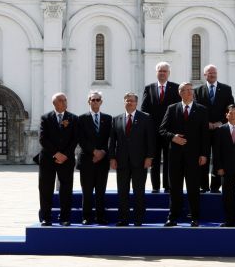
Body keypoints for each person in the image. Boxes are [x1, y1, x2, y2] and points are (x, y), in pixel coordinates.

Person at [160, 82, 210, 227]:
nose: (189, 92)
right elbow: (162, 130)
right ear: (180, 92)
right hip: (175, 156)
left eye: (190, 90)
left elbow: (205, 135)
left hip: (194, 156)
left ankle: (195, 217)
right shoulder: (172, 108)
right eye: (185, 90)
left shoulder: (201, 110)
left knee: (193, 187)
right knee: (175, 188)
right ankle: (172, 217)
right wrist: (173, 137)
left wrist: (204, 154)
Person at [108, 92, 155, 226]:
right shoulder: (116, 119)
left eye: (132, 101)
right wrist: (112, 158)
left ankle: (138, 219)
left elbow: (150, 139)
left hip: (140, 161)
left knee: (138, 191)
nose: (129, 103)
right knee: (122, 191)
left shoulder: (145, 118)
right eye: (127, 101)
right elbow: (112, 141)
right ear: (124, 102)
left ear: (136, 103)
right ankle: (123, 218)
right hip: (122, 161)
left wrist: (149, 157)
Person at [38, 93, 78, 226]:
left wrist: (65, 155)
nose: (64, 102)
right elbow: (43, 138)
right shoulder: (46, 118)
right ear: (54, 103)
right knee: (45, 188)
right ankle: (46, 217)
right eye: (61, 100)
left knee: (66, 188)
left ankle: (65, 217)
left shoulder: (73, 118)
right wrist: (56, 153)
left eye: (65, 100)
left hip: (66, 159)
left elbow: (75, 139)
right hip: (48, 159)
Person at [194, 64, 234, 193]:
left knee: (218, 158)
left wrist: (221, 122)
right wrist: (206, 123)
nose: (212, 75)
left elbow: (230, 109)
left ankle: (215, 186)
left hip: (220, 130)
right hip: (203, 130)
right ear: (204, 75)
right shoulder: (198, 90)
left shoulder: (226, 89)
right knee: (203, 157)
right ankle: (203, 185)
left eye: (214, 73)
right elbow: (195, 110)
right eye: (209, 73)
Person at [141, 61, 180, 193]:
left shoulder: (176, 88)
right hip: (153, 131)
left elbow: (178, 109)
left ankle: (168, 186)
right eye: (160, 71)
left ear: (169, 73)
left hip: (169, 131)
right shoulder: (149, 88)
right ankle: (155, 186)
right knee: (154, 159)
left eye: (165, 71)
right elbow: (144, 110)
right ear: (156, 73)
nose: (162, 73)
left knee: (169, 159)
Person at [77, 90, 112, 225]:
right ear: (89, 102)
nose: (95, 102)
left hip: (102, 161)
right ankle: (86, 217)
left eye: (98, 100)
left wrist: (102, 152)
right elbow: (81, 139)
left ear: (101, 102)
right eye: (93, 100)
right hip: (87, 160)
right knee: (87, 191)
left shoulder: (108, 118)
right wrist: (94, 152)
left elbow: (111, 139)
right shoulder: (81, 119)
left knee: (100, 191)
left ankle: (100, 217)